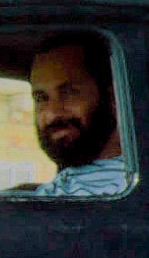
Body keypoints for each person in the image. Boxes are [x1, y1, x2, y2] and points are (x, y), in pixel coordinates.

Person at [29, 33, 131, 197]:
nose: (52, 113)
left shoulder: (128, 189)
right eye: (42, 98)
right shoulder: (54, 191)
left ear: (113, 97)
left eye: (69, 93)